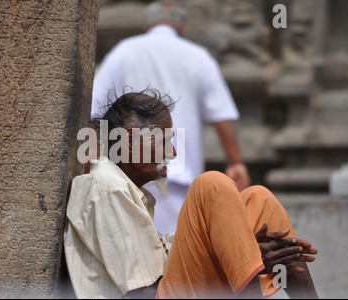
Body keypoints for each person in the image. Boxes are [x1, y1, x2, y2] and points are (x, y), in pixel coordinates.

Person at [64, 90, 318, 299]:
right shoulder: (106, 187)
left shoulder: (123, 190)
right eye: (163, 141)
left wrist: (242, 250)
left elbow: (169, 258)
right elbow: (142, 296)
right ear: (128, 141)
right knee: (212, 184)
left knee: (258, 199)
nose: (172, 153)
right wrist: (239, 259)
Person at [91, 1, 250, 234]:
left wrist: (95, 162)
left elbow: (94, 109)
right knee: (176, 251)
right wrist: (235, 161)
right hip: (183, 173)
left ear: (147, 25)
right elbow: (222, 114)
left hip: (130, 169)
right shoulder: (199, 57)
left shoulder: (124, 51)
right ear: (183, 28)